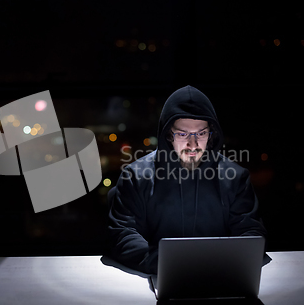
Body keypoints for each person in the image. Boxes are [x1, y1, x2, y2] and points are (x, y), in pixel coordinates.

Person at [107, 85, 268, 274]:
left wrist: (217, 265)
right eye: (183, 134)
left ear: (211, 133)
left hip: (221, 279)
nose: (193, 144)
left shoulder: (236, 178)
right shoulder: (135, 177)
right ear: (168, 134)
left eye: (201, 133)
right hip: (153, 280)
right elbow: (123, 233)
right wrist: (169, 264)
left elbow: (251, 234)